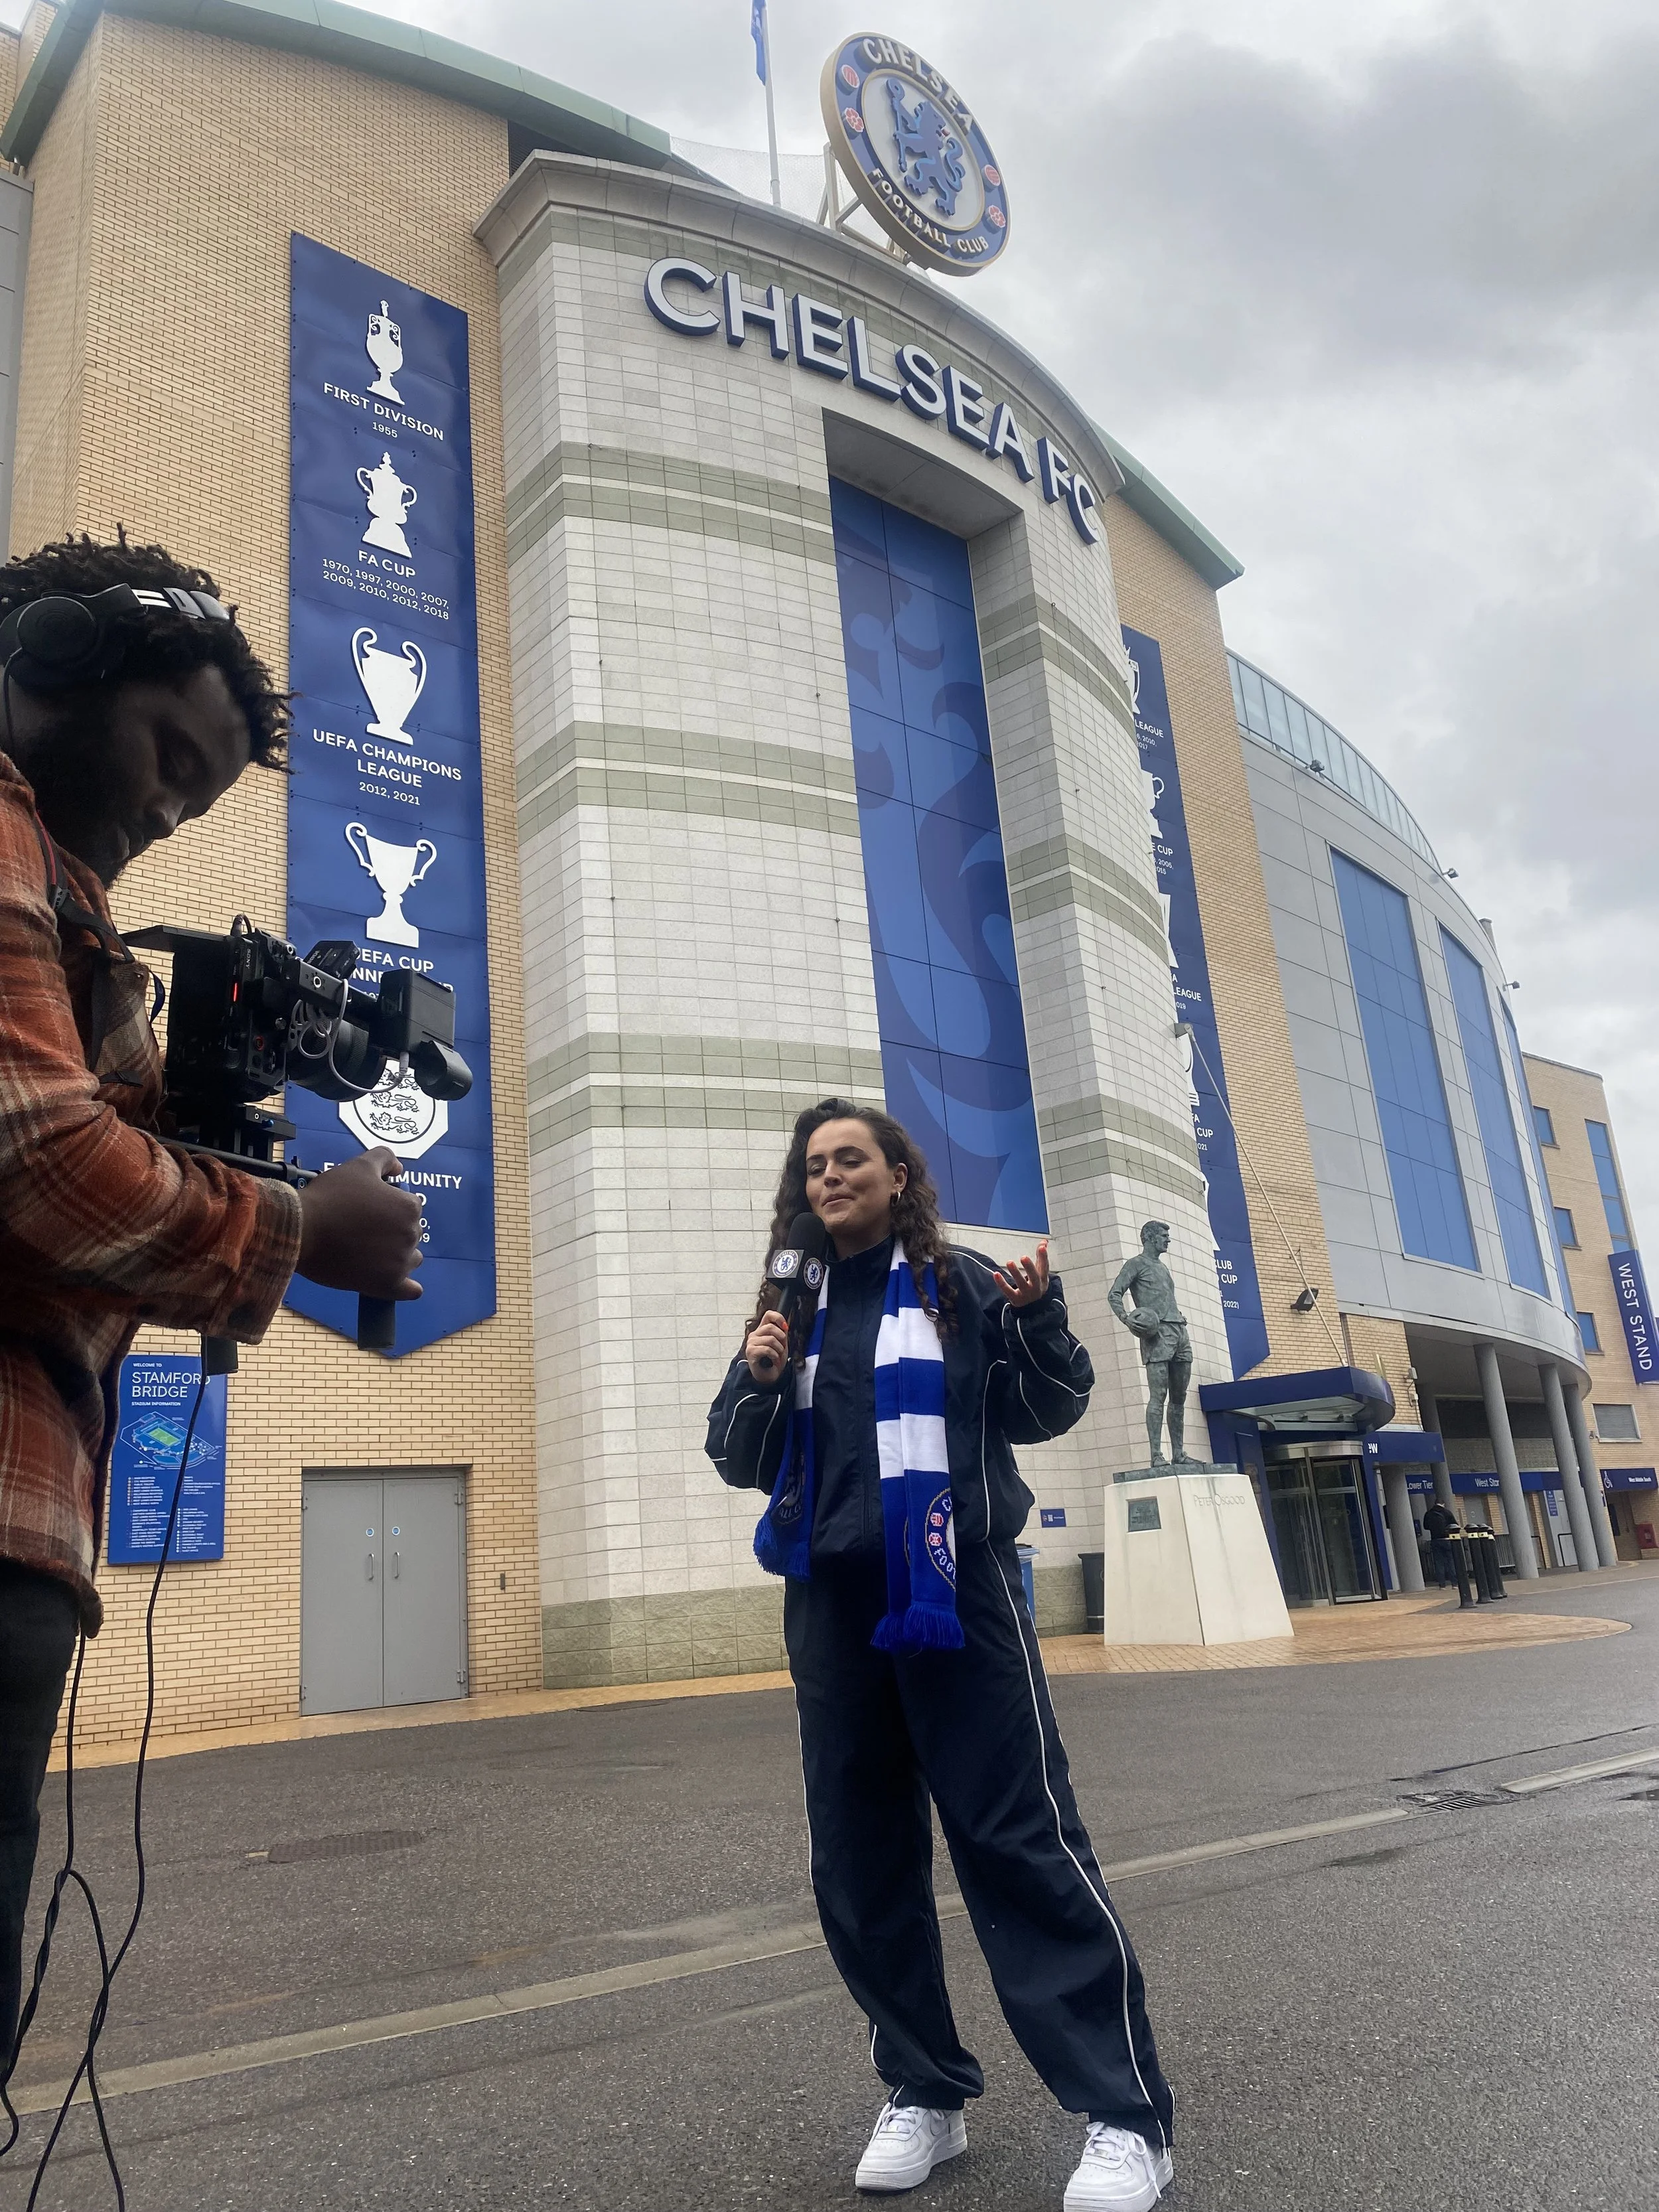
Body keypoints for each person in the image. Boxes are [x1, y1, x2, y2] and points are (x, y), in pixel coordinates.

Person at [0, 534, 425, 2070]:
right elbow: (37, 1157)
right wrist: (306, 1227)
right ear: (50, 663)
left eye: (205, 791)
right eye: (171, 754)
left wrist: (199, 1143)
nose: (173, 808)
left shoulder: (68, 903)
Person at [706, 1100, 1175, 2212]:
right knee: (860, 1861)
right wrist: (758, 1374)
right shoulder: (791, 1306)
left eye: (850, 1157)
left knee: (1018, 1840)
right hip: (830, 1605)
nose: (829, 1177)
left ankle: (1125, 2116)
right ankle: (924, 2085)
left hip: (955, 1588)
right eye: (813, 1165)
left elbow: (1046, 1405)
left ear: (899, 1170)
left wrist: (1047, 1316)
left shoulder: (958, 1283)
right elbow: (735, 1456)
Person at [1107, 1222, 1194, 1469]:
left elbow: (1165, 1297)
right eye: (1164, 1236)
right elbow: (1115, 1294)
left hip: (1179, 1330)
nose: (1168, 1240)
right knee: (1159, 1396)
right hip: (1157, 1336)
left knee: (1180, 1396)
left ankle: (1179, 1453)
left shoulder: (1163, 1268)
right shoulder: (1135, 1264)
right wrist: (1127, 1319)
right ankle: (1156, 1454)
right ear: (1149, 1237)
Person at [1421, 1497, 1461, 1587]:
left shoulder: (1429, 1513)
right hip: (1447, 1540)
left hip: (1435, 1540)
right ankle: (1454, 1583)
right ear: (1443, 1504)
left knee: (1439, 1562)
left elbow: (1426, 1526)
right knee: (1451, 1561)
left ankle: (1442, 1584)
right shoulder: (1447, 1513)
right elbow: (1455, 1525)